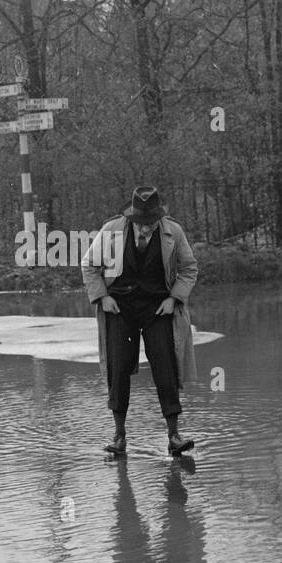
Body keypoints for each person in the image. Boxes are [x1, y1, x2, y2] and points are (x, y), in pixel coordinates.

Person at [81, 185, 198, 456]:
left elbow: (189, 268)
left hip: (159, 308)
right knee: (118, 367)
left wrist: (174, 299)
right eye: (140, 223)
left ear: (159, 218)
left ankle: (174, 436)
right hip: (119, 308)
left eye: (150, 223)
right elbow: (90, 265)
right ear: (131, 218)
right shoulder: (110, 231)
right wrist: (102, 297)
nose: (145, 228)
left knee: (166, 366)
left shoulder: (174, 232)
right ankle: (119, 436)